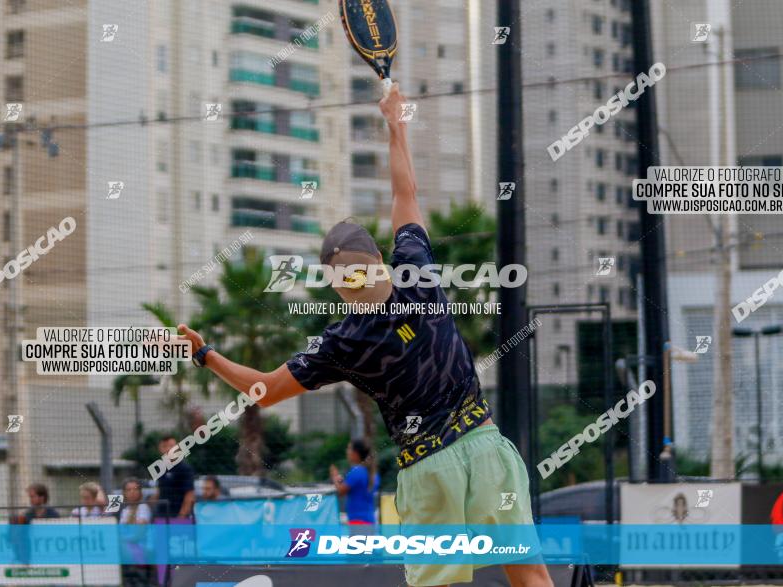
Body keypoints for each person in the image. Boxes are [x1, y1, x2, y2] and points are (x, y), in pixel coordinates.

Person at [177, 83, 553, 587]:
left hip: (430, 469)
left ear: (335, 285)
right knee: (530, 575)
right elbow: (406, 193)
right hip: (487, 449)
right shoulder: (414, 270)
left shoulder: (342, 341)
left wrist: (205, 354)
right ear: (378, 256)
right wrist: (395, 123)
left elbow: (261, 389)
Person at [329, 439, 379, 525]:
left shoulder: (356, 471)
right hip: (370, 520)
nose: (347, 452)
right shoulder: (373, 473)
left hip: (358, 521)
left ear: (356, 453)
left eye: (349, 449)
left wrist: (334, 477)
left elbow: (341, 491)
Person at [119, 478, 156, 587]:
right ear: (124, 493)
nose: (132, 492)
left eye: (135, 489)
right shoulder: (125, 511)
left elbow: (139, 534)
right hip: (126, 554)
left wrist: (122, 540)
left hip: (143, 553)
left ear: (140, 492)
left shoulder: (143, 508)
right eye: (128, 490)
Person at [153, 435, 195, 519]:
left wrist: (181, 516)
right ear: (160, 449)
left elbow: (189, 495)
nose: (168, 449)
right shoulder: (160, 468)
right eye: (164, 446)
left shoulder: (185, 468)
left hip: (178, 515)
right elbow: (159, 491)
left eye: (171, 446)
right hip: (161, 515)